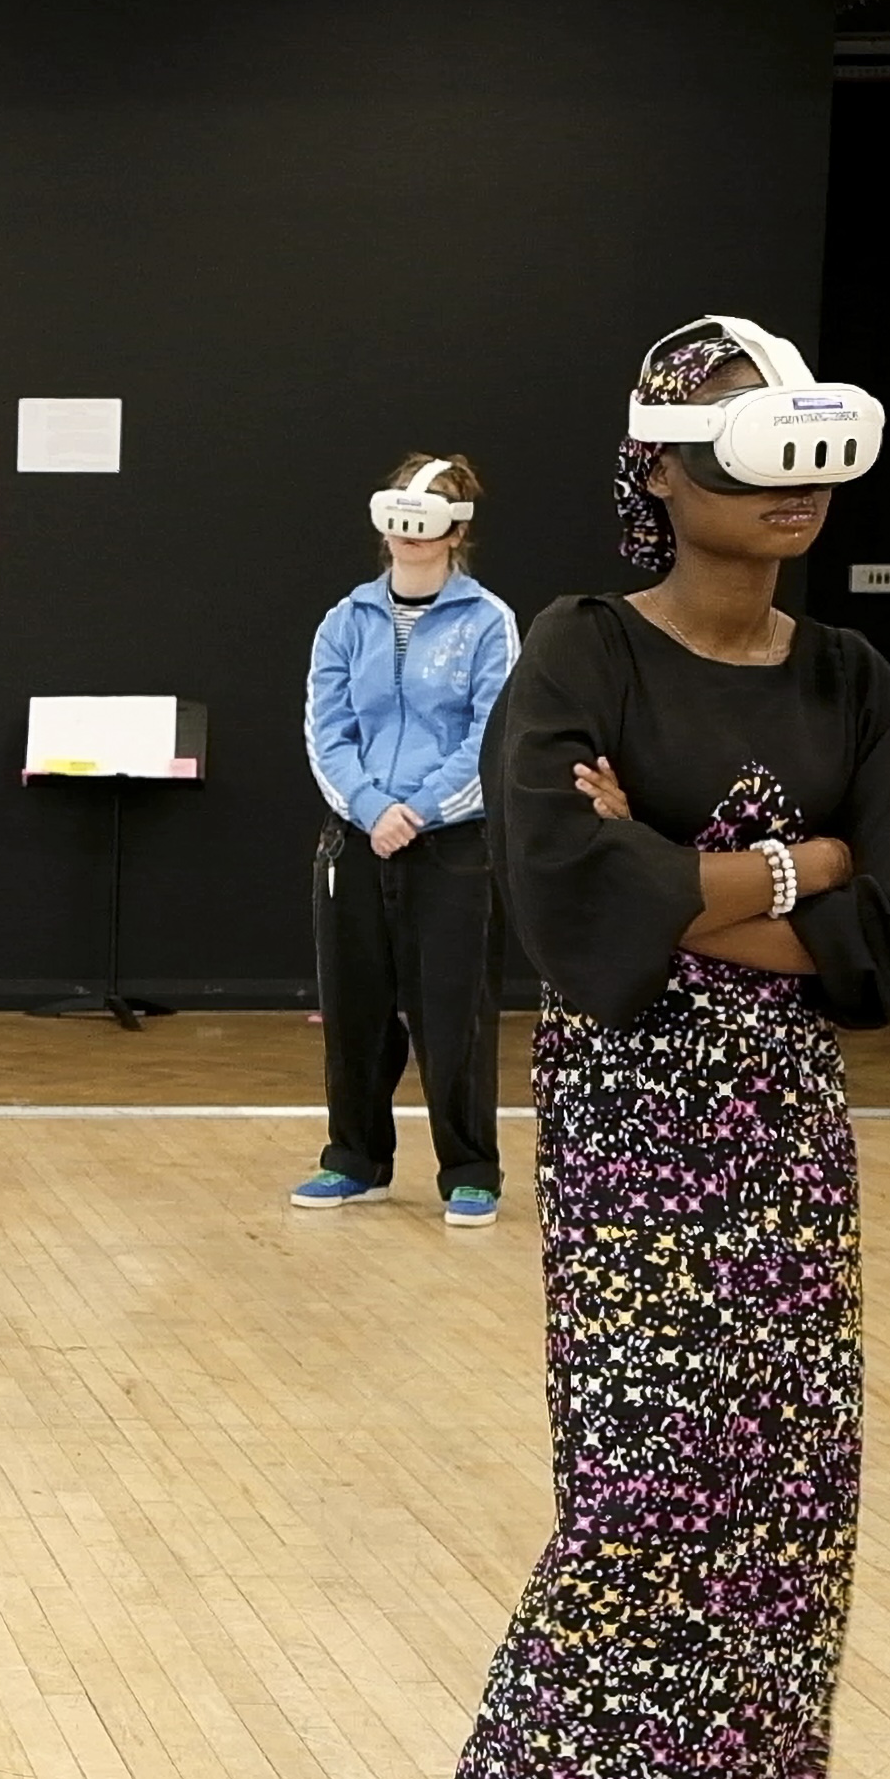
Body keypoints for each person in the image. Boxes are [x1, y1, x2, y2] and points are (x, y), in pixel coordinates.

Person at [402, 317, 890, 1779]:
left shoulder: (852, 678)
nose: (789, 489)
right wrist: (797, 866)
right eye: (739, 452)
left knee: (785, 1510)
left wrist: (686, 871)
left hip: (788, 1124)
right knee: (646, 1500)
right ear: (658, 470)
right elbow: (572, 907)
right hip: (636, 1109)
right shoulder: (580, 650)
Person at [295, 454, 520, 1225]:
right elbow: (327, 731)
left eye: (428, 522)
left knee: (455, 1012)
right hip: (357, 841)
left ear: (457, 531)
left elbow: (491, 736)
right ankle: (354, 1158)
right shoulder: (345, 619)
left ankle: (470, 1168)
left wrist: (418, 811)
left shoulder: (488, 622)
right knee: (354, 1008)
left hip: (452, 845)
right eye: (399, 519)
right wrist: (369, 807)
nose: (410, 535)